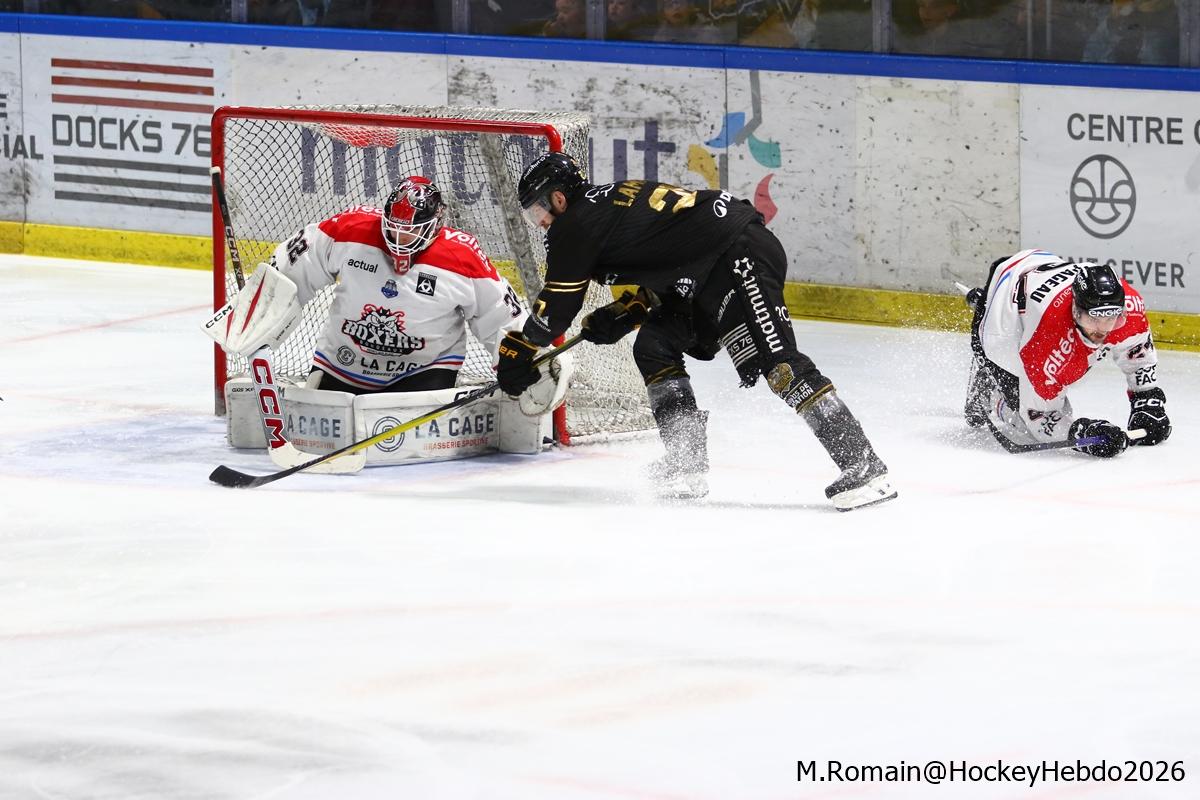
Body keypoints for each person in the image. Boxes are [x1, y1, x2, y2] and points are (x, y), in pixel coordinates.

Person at [497, 152, 897, 511]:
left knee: (780, 365)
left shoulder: (576, 223)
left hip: (738, 254)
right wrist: (633, 307)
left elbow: (557, 308)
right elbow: (675, 251)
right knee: (654, 345)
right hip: (709, 269)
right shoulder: (605, 205)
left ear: (558, 198)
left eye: (538, 210)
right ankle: (685, 464)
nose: (540, 222)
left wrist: (523, 346)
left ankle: (864, 465)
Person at [963, 249, 1171, 456]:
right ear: (1075, 311)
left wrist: (1147, 401)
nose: (1102, 329)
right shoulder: (1047, 341)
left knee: (1060, 411)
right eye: (1094, 318)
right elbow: (1038, 417)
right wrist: (1084, 434)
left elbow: (1138, 354)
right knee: (1030, 424)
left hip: (1038, 263)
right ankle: (989, 394)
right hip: (1003, 326)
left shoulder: (1130, 308)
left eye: (1110, 317)